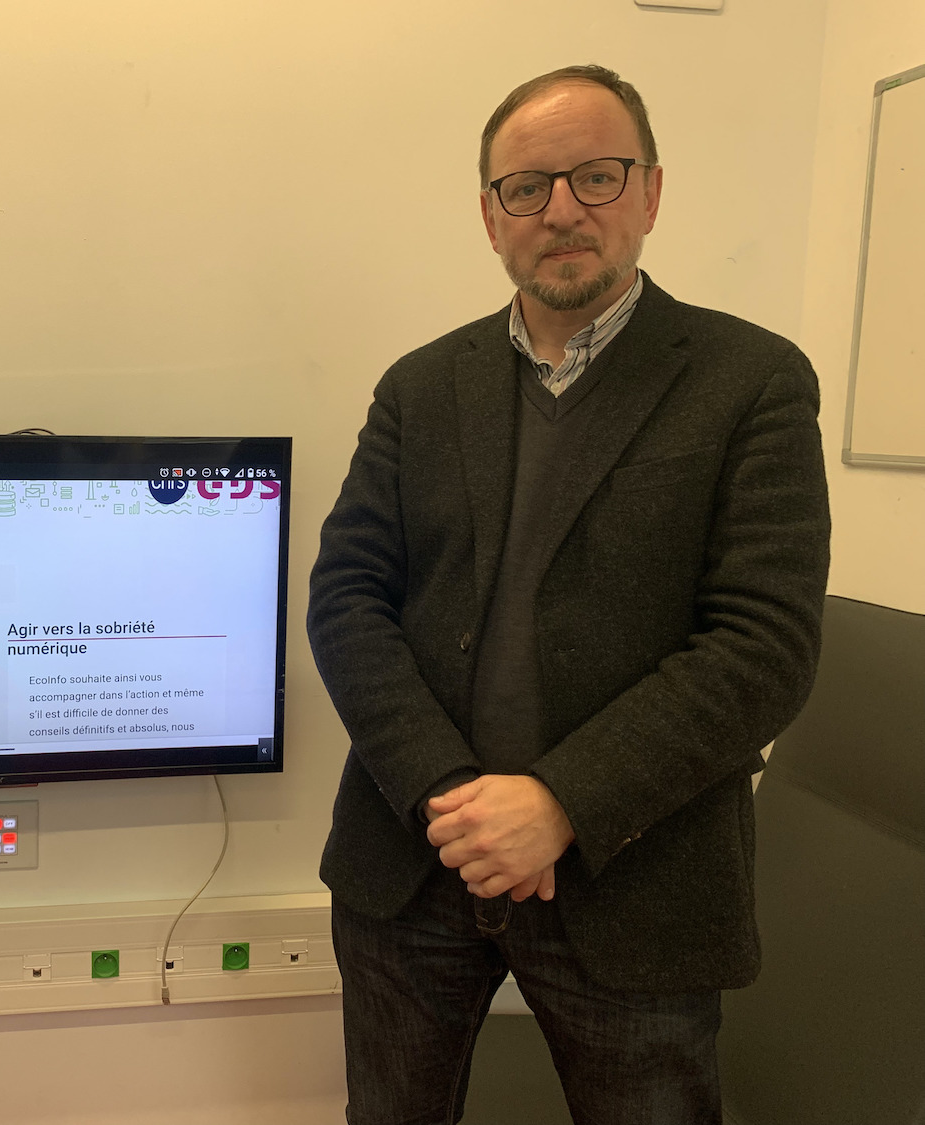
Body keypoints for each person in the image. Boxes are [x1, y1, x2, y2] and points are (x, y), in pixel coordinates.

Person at [307, 64, 830, 1125]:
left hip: (639, 885)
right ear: (489, 219)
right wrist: (454, 798)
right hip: (413, 871)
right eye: (527, 187)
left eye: (597, 176)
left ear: (649, 193)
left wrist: (558, 806)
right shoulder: (419, 387)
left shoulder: (752, 381)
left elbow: (761, 646)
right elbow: (347, 598)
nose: (563, 210)